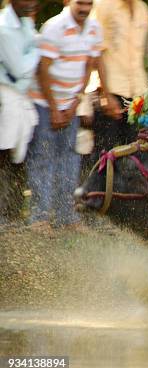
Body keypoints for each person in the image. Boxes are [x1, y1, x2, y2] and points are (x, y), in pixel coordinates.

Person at [27, 0, 102, 228]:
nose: (85, 8)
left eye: (89, 3)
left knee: (69, 158)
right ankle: (39, 218)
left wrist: (74, 104)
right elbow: (42, 69)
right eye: (80, 3)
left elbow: (89, 66)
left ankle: (65, 217)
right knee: (43, 158)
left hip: (70, 103)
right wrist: (54, 108)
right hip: (43, 102)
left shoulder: (94, 28)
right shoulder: (54, 27)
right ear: (68, 1)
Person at [87, 0, 148, 158]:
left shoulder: (142, 9)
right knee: (104, 156)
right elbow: (95, 52)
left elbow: (138, 56)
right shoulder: (103, 5)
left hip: (136, 95)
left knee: (132, 156)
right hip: (109, 92)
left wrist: (144, 98)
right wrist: (105, 95)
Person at [0, 0, 39, 224]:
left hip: (20, 97)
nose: (31, 2)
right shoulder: (4, 27)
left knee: (18, 158)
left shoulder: (25, 23)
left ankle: (12, 215)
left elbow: (26, 69)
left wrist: (31, 53)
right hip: (5, 96)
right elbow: (18, 69)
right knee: (4, 155)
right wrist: (34, 50)